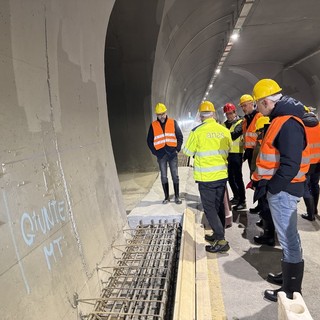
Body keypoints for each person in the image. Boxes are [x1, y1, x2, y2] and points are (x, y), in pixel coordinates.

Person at [251, 79, 310, 302]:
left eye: (258, 104)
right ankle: (286, 278)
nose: (258, 108)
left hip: (284, 190)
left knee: (288, 239)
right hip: (282, 190)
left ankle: (291, 290)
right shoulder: (280, 120)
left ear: (266, 101)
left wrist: (273, 189)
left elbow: (291, 163)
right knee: (287, 238)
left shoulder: (288, 124)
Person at [183, 101, 232, 253]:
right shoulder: (223, 130)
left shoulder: (197, 131)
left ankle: (221, 239)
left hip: (206, 178)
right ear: (213, 114)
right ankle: (218, 235)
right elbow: (229, 147)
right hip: (221, 176)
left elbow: (187, 152)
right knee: (218, 207)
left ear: (200, 116)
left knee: (209, 208)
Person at [147, 102, 183, 204]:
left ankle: (177, 197)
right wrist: (155, 152)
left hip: (172, 154)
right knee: (163, 176)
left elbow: (179, 136)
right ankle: (166, 197)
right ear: (156, 115)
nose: (161, 116)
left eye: (163, 113)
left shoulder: (173, 122)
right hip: (161, 155)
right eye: (159, 114)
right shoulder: (153, 125)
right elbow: (149, 141)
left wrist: (177, 148)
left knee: (175, 175)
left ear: (166, 112)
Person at [251, 116, 276, 246]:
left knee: (267, 208)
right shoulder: (265, 141)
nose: (258, 134)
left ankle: (269, 236)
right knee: (265, 207)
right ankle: (266, 226)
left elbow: (263, 163)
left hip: (265, 180)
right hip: (263, 179)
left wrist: (256, 179)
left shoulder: (267, 144)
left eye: (259, 131)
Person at [239, 94, 263, 214]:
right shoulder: (245, 120)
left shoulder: (259, 117)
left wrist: (254, 151)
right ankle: (260, 205)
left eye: (245, 105)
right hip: (250, 153)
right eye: (242, 106)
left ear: (251, 103)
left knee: (259, 180)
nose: (243, 108)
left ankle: (262, 206)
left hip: (258, 153)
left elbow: (261, 137)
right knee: (254, 180)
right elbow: (246, 137)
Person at [222, 103, 246, 210]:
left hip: (237, 154)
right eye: (227, 114)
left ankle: (242, 200)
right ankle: (236, 197)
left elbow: (234, 135)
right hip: (227, 154)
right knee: (230, 178)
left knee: (238, 178)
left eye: (230, 113)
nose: (229, 116)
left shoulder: (241, 123)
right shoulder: (224, 124)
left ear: (235, 112)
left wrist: (224, 134)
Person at [301, 107, 320, 221]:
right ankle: (315, 209)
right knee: (315, 185)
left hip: (306, 162)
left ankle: (310, 213)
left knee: (305, 187)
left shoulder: (301, 127)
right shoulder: (319, 125)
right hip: (318, 162)